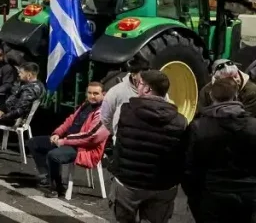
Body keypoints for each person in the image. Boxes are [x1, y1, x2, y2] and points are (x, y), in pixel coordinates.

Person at [109, 70, 187, 223]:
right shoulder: (181, 121)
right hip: (163, 185)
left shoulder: (125, 110)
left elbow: (115, 136)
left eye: (140, 83)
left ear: (147, 89)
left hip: (128, 183)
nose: (137, 86)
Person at [183, 77, 256, 221]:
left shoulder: (198, 128)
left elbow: (188, 169)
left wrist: (194, 197)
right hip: (248, 196)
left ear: (210, 96)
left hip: (212, 195)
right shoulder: (254, 126)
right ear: (236, 95)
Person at [26, 82, 109, 197]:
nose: (92, 96)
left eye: (96, 93)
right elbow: (70, 120)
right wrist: (57, 133)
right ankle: (48, 176)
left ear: (103, 94)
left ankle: (56, 188)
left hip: (84, 148)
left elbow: (90, 137)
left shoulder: (104, 112)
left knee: (53, 155)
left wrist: (64, 141)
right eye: (89, 93)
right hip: (69, 141)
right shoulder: (86, 104)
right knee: (33, 143)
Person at [100, 55, 149, 137]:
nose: (146, 77)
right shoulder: (116, 92)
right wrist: (117, 134)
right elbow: (105, 118)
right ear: (133, 75)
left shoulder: (155, 89)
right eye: (142, 74)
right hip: (124, 142)